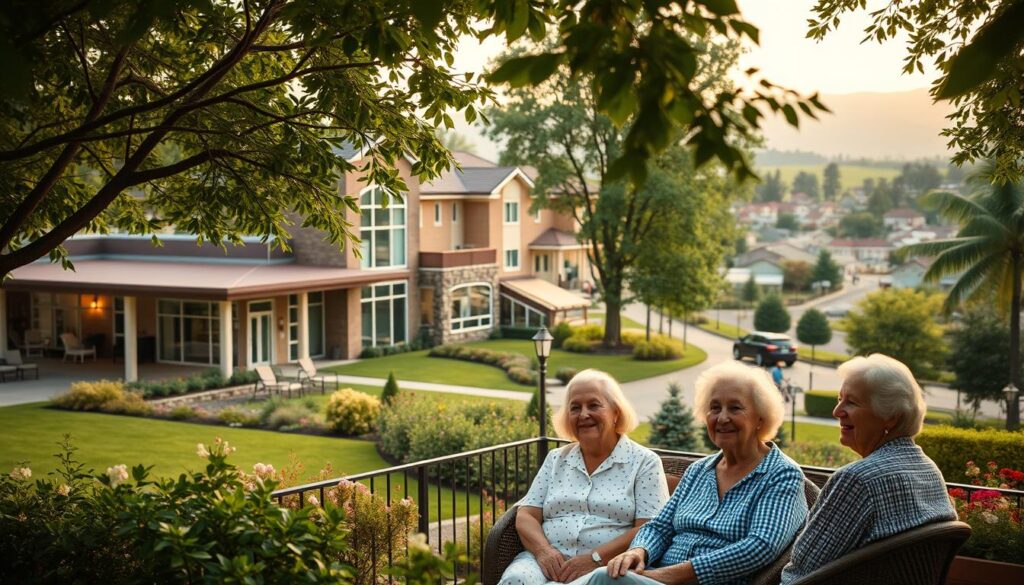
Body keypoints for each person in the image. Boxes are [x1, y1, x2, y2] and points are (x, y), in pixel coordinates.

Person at [593, 361, 808, 585]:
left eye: (735, 408)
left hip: (703, 581)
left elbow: (760, 546)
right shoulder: (699, 470)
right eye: (715, 408)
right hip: (656, 576)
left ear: (760, 418)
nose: (722, 418)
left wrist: (667, 576)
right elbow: (660, 526)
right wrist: (639, 551)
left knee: (603, 578)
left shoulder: (782, 474)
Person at [779, 354, 956, 583]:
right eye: (839, 399)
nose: (837, 411)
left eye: (851, 402)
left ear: (890, 417)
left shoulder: (858, 480)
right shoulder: (928, 469)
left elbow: (801, 571)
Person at [498, 369, 670, 585]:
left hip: (606, 568)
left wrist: (595, 558)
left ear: (616, 412)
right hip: (545, 561)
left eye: (594, 405)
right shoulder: (556, 460)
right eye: (575, 408)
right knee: (515, 579)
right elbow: (526, 515)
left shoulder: (644, 462)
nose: (583, 414)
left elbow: (648, 528)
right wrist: (544, 552)